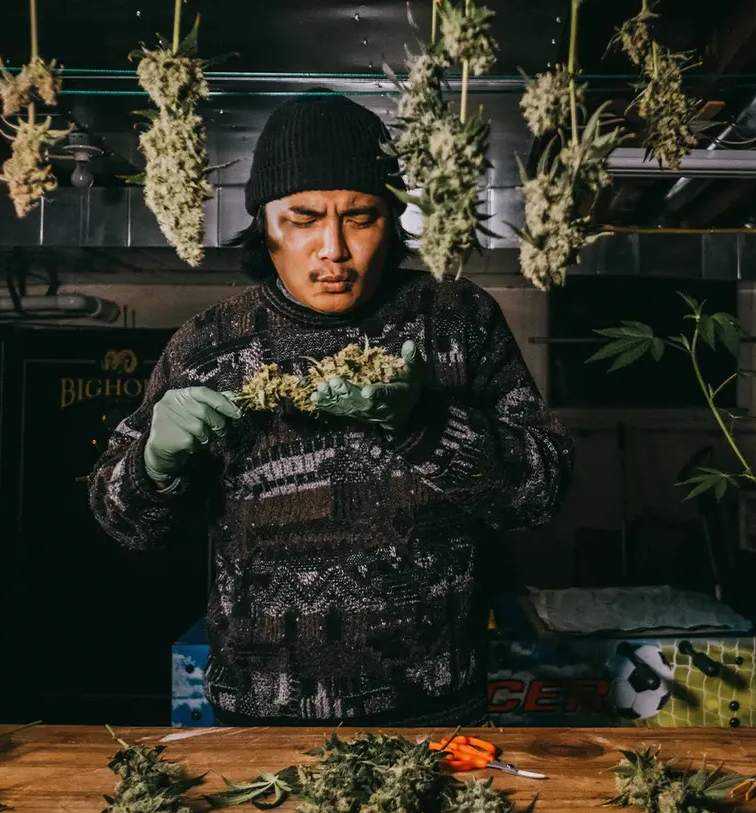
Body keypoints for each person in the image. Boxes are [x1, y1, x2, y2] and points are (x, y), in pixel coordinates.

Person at [87, 93, 574, 727]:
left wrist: (425, 425)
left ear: (391, 219)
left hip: (433, 709)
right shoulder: (207, 346)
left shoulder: (457, 319)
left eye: (361, 217)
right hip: (262, 714)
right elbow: (128, 527)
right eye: (304, 219)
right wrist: (152, 464)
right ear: (264, 225)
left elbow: (542, 493)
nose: (333, 248)